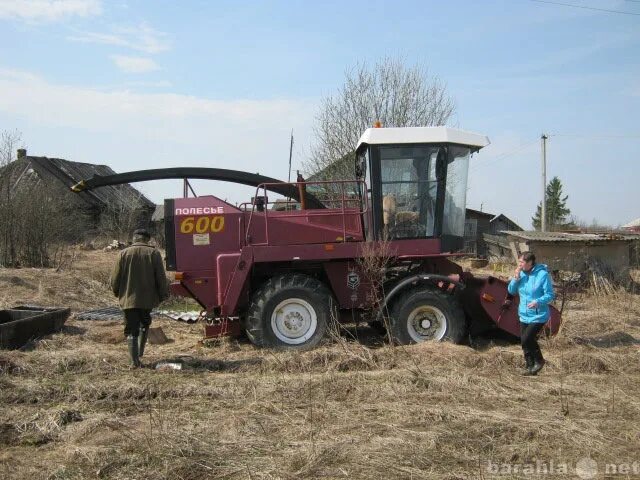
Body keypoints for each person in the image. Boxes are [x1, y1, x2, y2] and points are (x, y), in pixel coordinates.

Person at [110, 228, 169, 367]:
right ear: (147, 239)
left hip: (128, 299)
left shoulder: (123, 253)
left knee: (131, 328)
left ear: (134, 238)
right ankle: (139, 353)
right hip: (148, 299)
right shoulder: (154, 253)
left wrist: (118, 293)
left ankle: (134, 361)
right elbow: (161, 277)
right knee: (145, 323)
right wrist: (162, 295)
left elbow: (114, 279)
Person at [507, 251, 555, 376]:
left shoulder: (542, 275)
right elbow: (511, 291)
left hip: (538, 315)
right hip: (524, 314)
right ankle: (529, 366)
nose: (519, 264)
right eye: (519, 262)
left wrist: (538, 301)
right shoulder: (521, 274)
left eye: (522, 262)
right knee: (524, 341)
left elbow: (550, 295)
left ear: (530, 262)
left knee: (528, 338)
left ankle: (539, 361)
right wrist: (515, 278)